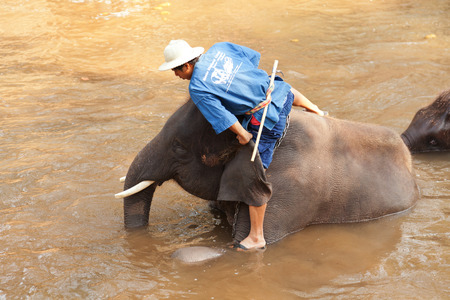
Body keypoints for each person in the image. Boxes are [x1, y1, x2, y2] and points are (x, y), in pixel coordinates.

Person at [159, 40, 325, 251]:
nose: (176, 75)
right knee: (275, 84)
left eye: (175, 70)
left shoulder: (197, 88)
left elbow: (223, 117)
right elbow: (252, 59)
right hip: (279, 93)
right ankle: (315, 110)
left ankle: (257, 237)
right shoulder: (220, 49)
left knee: (251, 173)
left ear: (187, 66)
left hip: (268, 119)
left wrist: (245, 135)